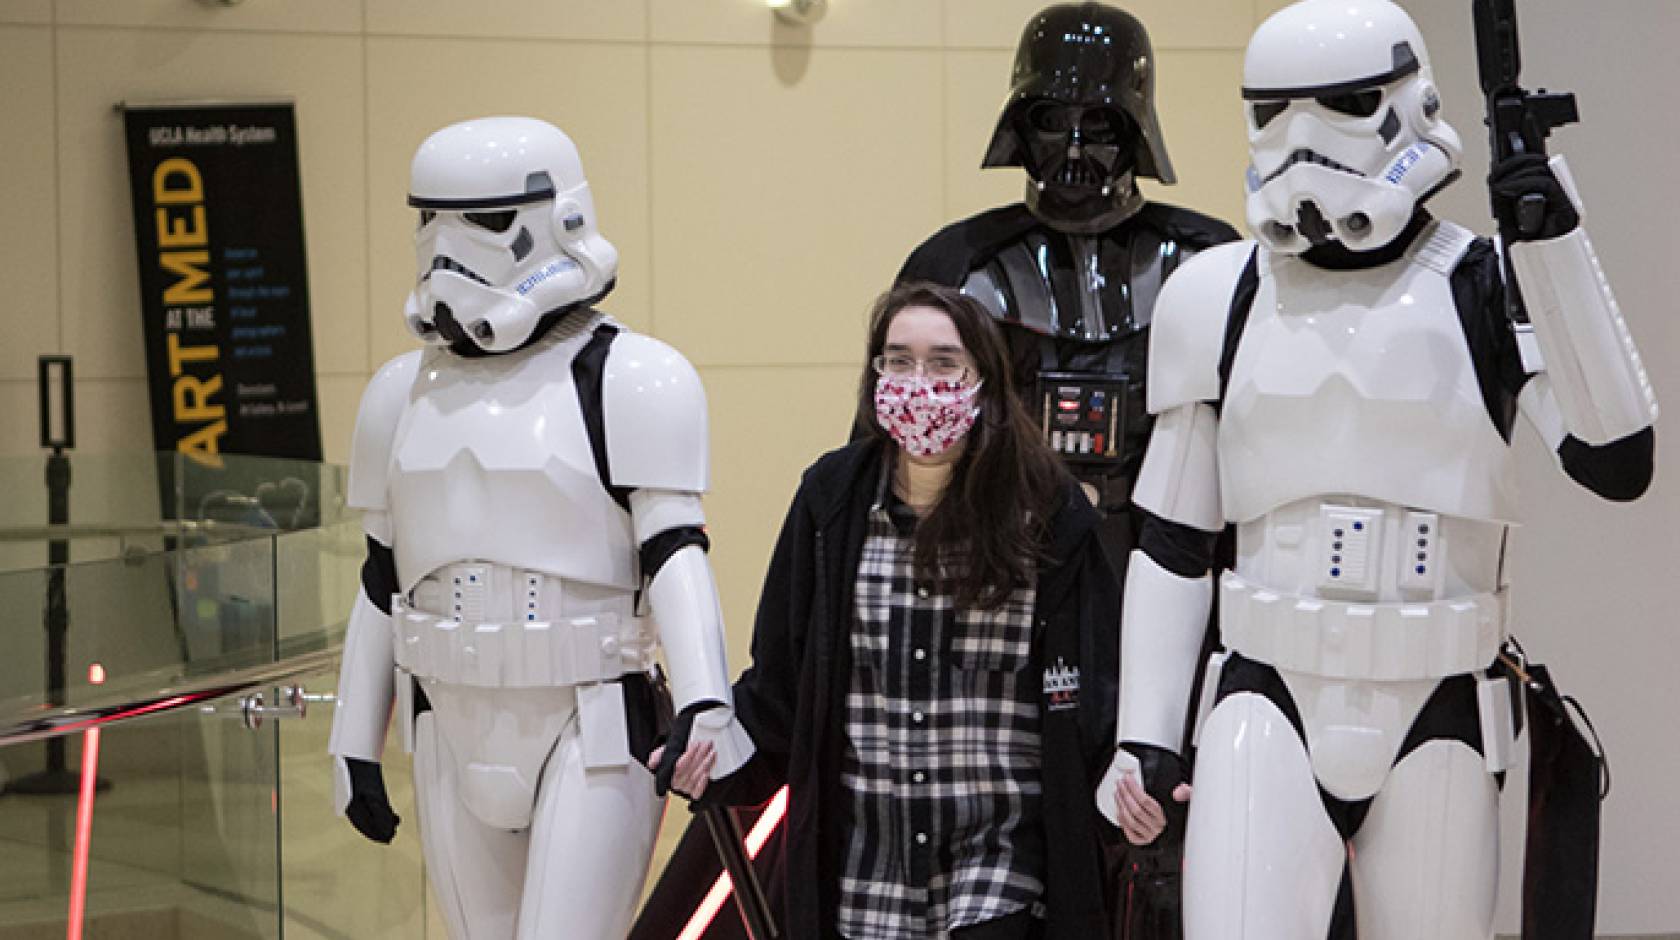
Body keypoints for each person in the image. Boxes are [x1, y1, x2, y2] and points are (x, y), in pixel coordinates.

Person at [1101, 2, 1657, 937]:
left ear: (1411, 104)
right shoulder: (1217, 295)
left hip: (1439, 702)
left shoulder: (1486, 284)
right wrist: (1146, 735)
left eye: (1345, 104)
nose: (1302, 141)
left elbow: (1616, 459)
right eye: (1273, 112)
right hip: (1266, 695)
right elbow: (1173, 541)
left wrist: (1554, 248)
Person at [326, 116, 752, 940]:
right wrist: (354, 739)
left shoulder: (631, 377)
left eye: (483, 221)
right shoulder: (397, 394)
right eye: (430, 221)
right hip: (445, 720)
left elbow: (675, 552)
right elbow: (380, 578)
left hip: (590, 719)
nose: (447, 249)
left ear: (561, 217)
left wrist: (707, 700)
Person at [658, 282, 1129, 939]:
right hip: (864, 883)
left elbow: (1098, 691)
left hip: (1000, 876)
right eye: (899, 360)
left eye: (943, 363)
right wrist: (714, 750)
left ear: (983, 382)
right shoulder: (831, 500)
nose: (919, 382)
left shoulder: (1047, 509)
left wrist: (1140, 774)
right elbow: (785, 684)